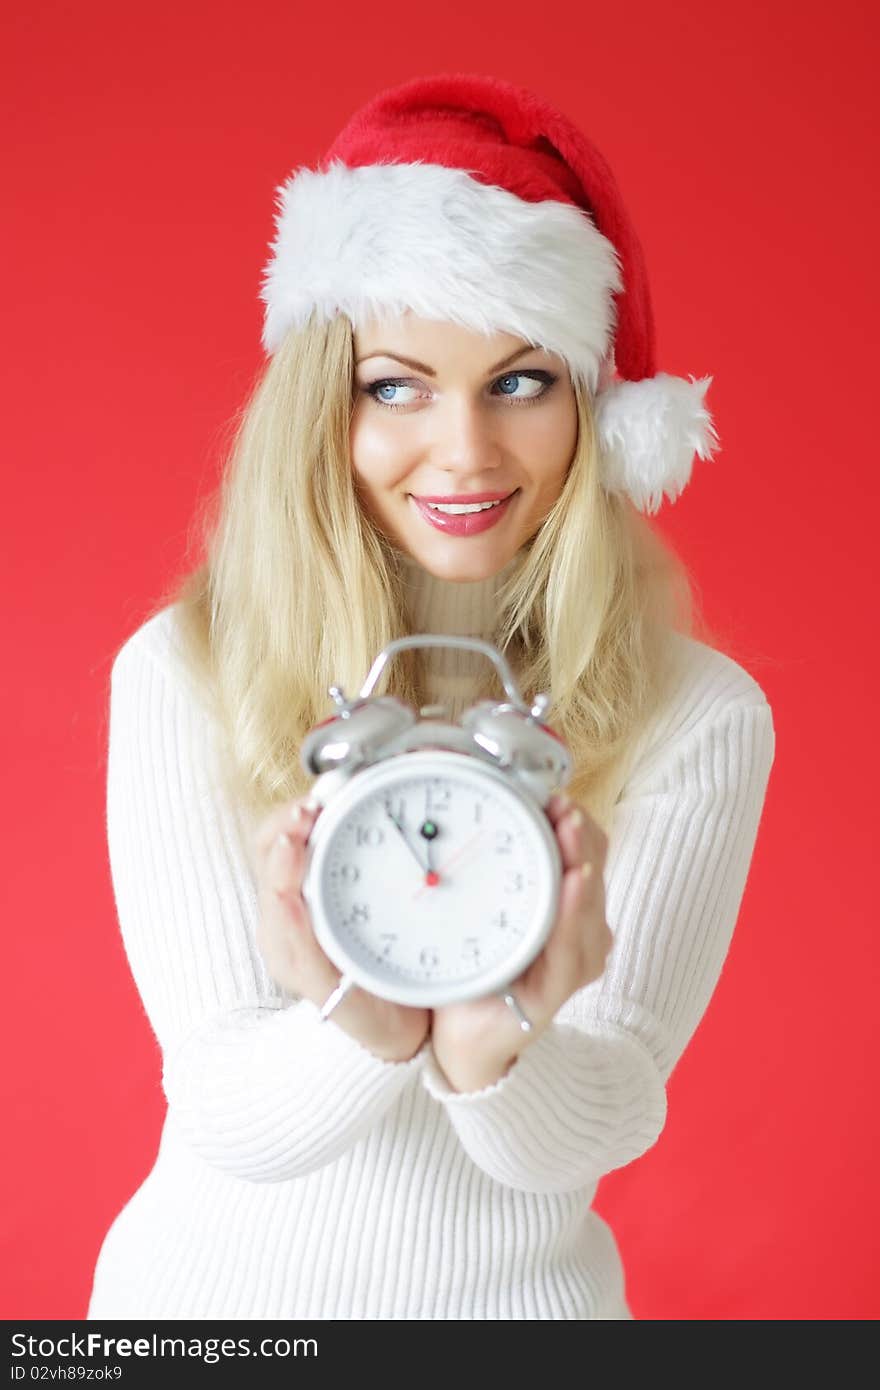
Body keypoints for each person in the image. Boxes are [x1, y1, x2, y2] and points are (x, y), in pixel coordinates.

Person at [87, 73, 776, 1321]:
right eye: (395, 384)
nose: (464, 451)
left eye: (521, 381)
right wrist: (362, 1018)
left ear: (596, 405)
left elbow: (603, 1118)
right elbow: (232, 1115)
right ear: (322, 406)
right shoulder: (182, 670)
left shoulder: (698, 715)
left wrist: (493, 1043)